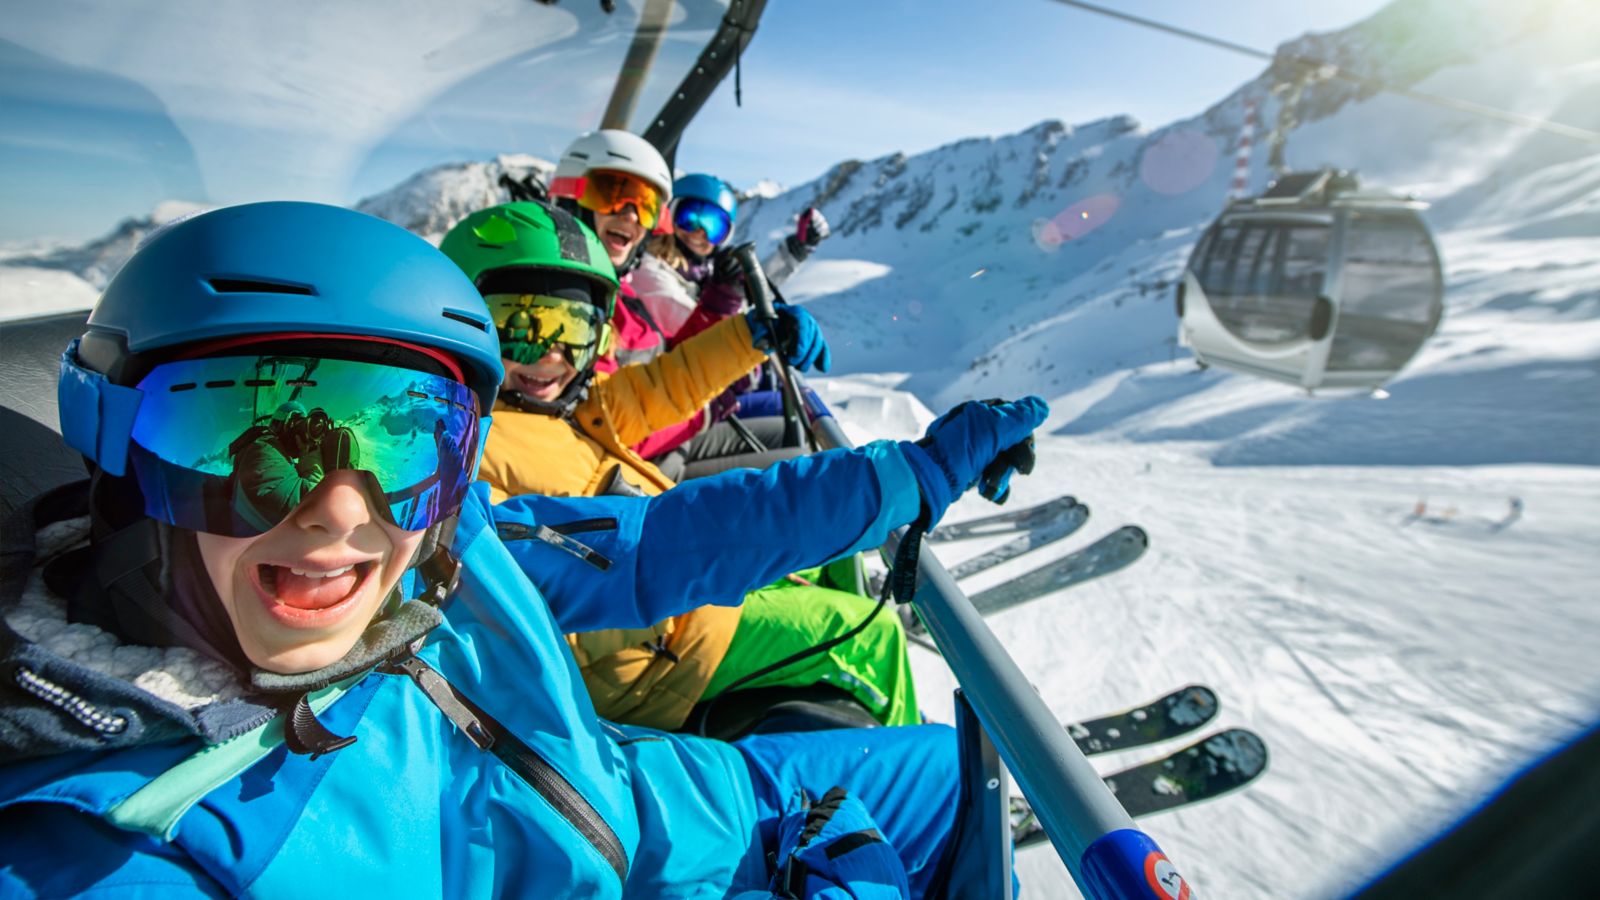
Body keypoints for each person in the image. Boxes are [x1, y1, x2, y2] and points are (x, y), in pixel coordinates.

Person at [0, 201, 1048, 898]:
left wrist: (909, 476)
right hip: (649, 865)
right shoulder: (124, 847)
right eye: (239, 438)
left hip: (698, 801)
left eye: (407, 436)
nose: (338, 511)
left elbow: (658, 539)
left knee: (983, 782)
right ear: (115, 444)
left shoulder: (449, 552)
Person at [440, 200, 917, 732]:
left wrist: (752, 337)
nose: (551, 356)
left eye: (573, 328)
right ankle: (936, 799)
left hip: (686, 594)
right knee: (874, 639)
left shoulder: (571, 408)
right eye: (521, 326)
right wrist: (708, 570)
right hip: (663, 649)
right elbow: (536, 606)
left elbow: (666, 383)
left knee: (828, 558)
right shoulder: (469, 457)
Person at [628, 173, 833, 476]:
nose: (699, 232)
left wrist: (793, 252)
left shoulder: (698, 271)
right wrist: (733, 296)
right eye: (690, 217)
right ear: (668, 215)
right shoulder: (651, 274)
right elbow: (710, 330)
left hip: (693, 408)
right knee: (798, 458)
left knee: (793, 428)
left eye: (713, 226)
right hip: (673, 418)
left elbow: (745, 295)